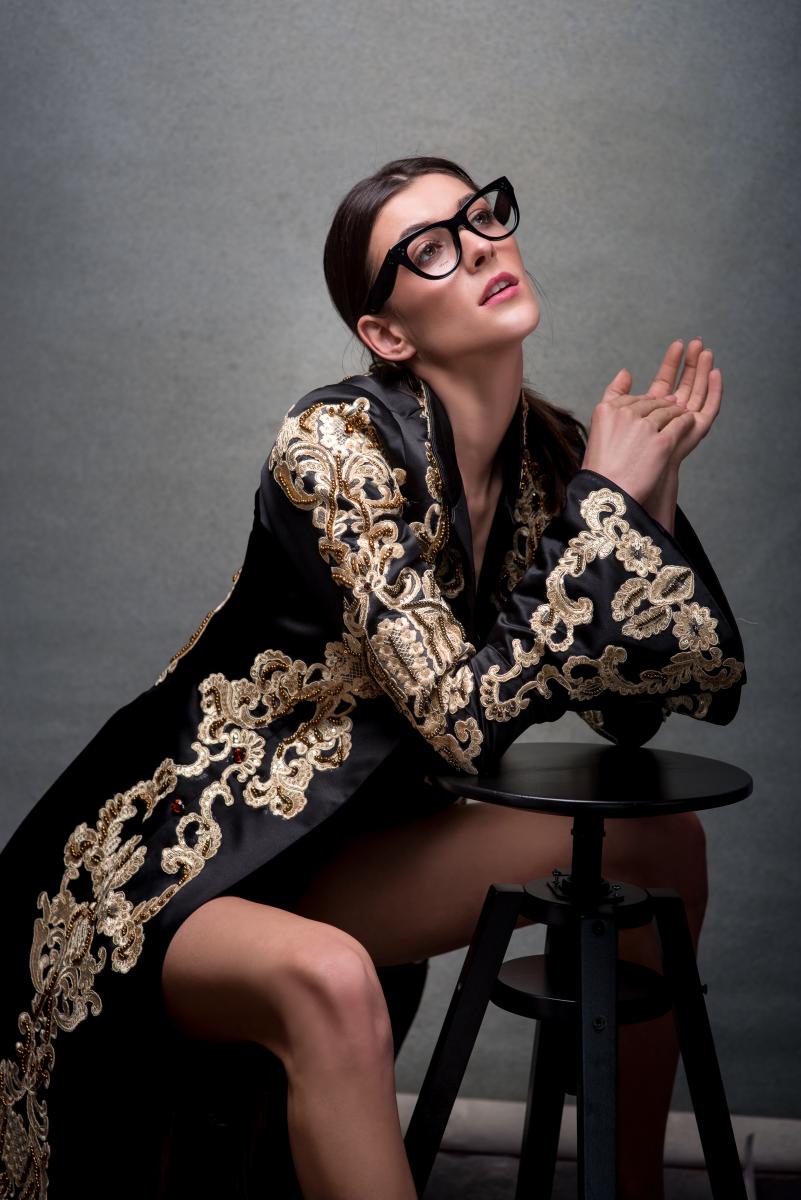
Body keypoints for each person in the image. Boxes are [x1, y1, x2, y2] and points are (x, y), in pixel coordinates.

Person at [0, 155, 745, 1200]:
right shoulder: (333, 448)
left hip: (338, 846)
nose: (478, 245)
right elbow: (458, 721)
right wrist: (605, 510)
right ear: (385, 334)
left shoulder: (552, 463)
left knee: (663, 846)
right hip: (173, 865)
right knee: (333, 981)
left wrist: (640, 508)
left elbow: (643, 712)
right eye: (430, 247)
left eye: (481, 217)